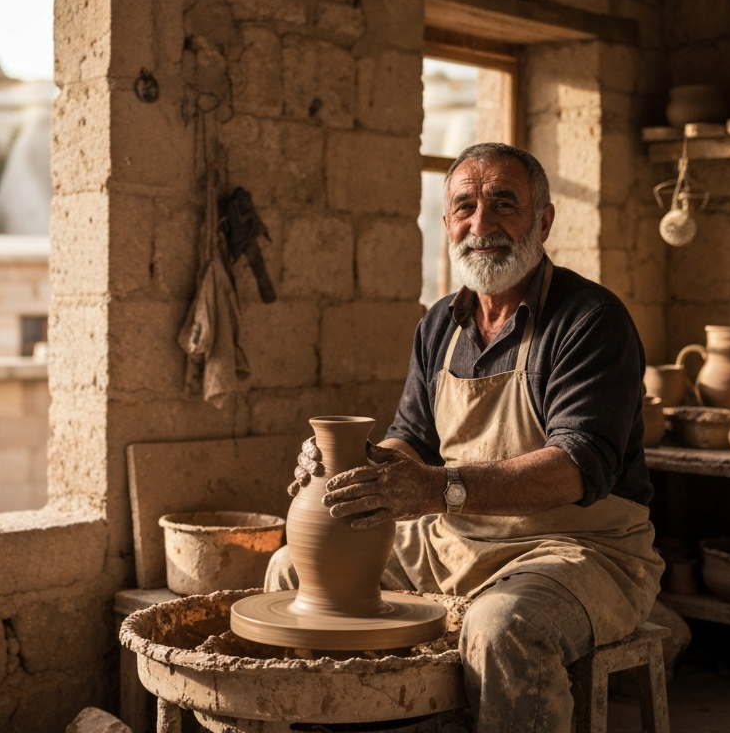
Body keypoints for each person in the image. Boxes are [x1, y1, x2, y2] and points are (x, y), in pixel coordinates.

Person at [266, 142, 663, 733]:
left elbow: (579, 466)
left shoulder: (589, 319)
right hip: (455, 542)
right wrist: (362, 465)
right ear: (448, 221)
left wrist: (438, 489)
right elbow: (412, 440)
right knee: (291, 572)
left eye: (505, 204)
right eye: (465, 207)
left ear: (544, 219)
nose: (483, 226)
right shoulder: (440, 324)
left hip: (579, 551)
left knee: (503, 626)